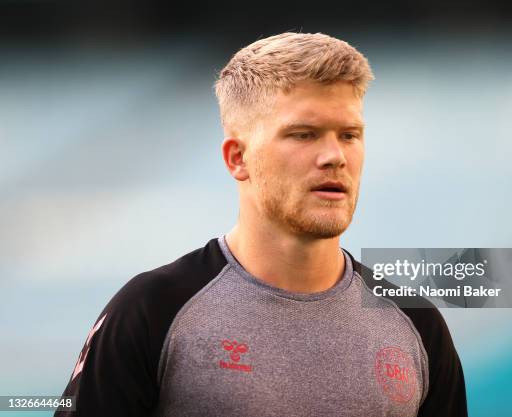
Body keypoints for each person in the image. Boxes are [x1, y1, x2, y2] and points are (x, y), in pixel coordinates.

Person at [55, 32, 467, 417]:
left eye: (349, 134)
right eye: (303, 135)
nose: (334, 157)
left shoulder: (417, 324)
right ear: (237, 158)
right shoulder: (153, 311)